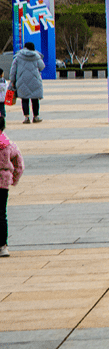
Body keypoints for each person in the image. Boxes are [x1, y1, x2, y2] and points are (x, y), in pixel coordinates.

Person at [0, 117, 24, 257]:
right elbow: (19, 165)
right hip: (3, 182)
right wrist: (13, 180)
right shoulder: (9, 144)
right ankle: (3, 246)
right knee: (1, 213)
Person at [9, 42, 45, 124]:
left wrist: (12, 81)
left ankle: (26, 117)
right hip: (35, 80)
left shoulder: (18, 56)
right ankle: (36, 117)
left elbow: (13, 70)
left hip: (22, 81)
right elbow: (42, 66)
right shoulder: (36, 56)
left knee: (24, 99)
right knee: (35, 99)